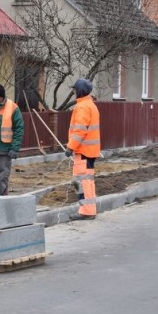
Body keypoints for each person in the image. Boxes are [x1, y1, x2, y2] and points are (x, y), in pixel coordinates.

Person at [64, 78, 101, 220]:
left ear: (79, 91)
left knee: (81, 182)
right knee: (87, 182)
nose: (73, 92)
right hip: (89, 152)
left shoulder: (82, 107)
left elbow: (80, 131)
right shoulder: (90, 105)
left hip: (83, 151)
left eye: (74, 90)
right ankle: (89, 209)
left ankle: (86, 211)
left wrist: (70, 147)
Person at [0, 84, 24, 196]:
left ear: (1, 96)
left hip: (4, 149)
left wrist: (15, 148)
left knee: (3, 176)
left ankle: (2, 199)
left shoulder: (13, 108)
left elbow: (19, 128)